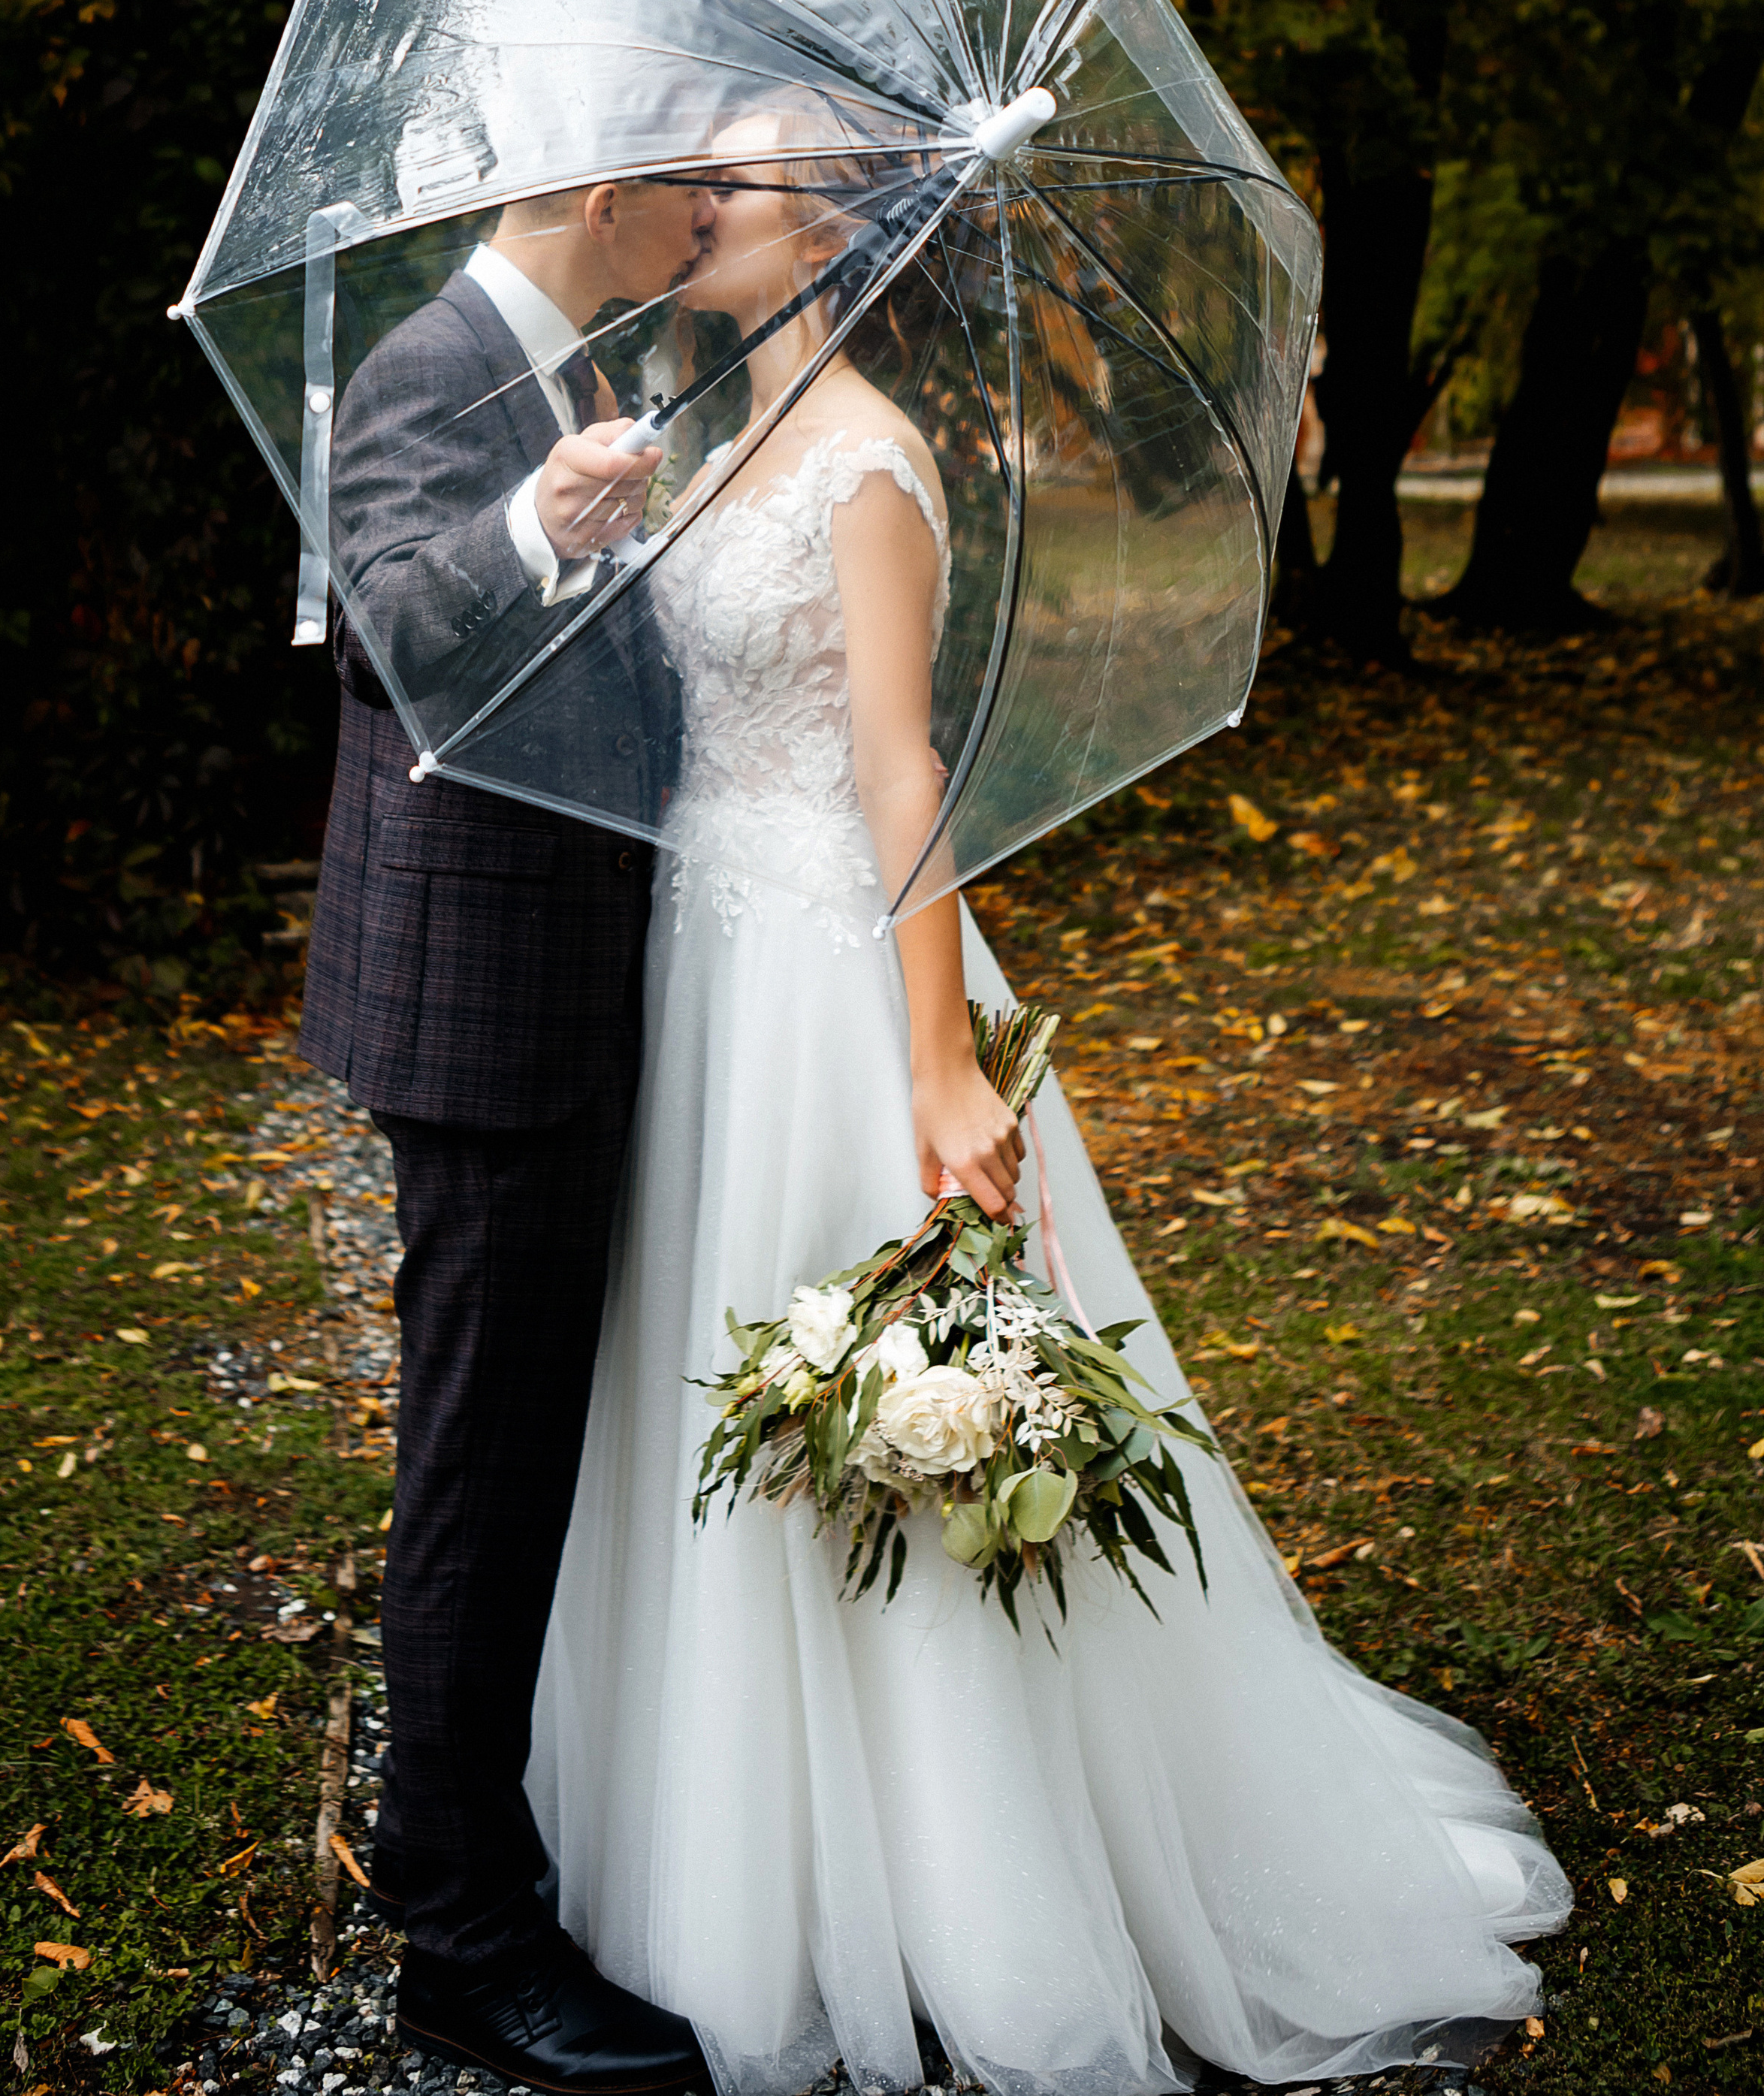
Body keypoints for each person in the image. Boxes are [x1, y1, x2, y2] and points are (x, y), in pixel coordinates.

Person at [528, 115, 1572, 2096]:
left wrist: (937, 1059)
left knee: (883, 1398)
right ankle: (712, 1835)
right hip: (695, 963)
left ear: (830, 234)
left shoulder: (871, 463)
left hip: (830, 971)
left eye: (732, 192)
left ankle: (948, 1870)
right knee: (686, 1371)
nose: (696, 212)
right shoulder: (701, 435)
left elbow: (908, 774)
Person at [301, 167, 717, 2091]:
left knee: (544, 1434)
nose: (713, 221)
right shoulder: (438, 365)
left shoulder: (592, 364)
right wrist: (536, 529)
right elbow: (386, 623)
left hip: (583, 984)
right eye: (695, 190)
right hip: (484, 1014)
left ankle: (504, 1841)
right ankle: (460, 1929)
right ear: (603, 192)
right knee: (478, 1464)